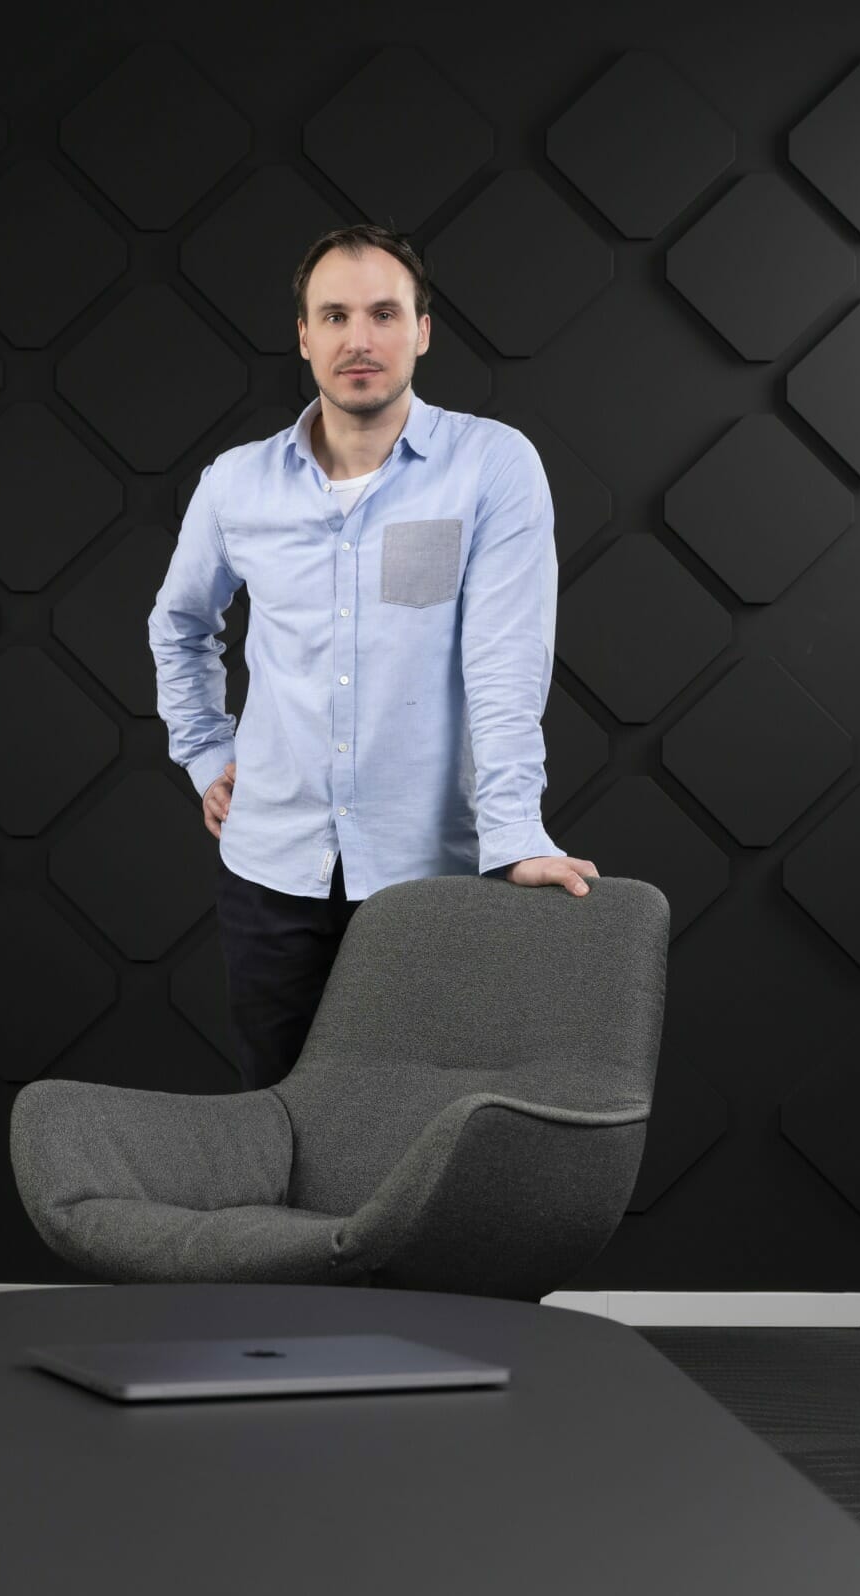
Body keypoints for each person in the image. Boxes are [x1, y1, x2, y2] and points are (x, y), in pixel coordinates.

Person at [148, 222, 599, 1093]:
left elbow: (506, 664)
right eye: (336, 315)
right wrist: (206, 753)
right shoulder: (235, 484)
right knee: (281, 1119)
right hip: (271, 871)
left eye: (385, 313)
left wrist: (515, 836)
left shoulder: (491, 466)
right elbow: (179, 625)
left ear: (422, 331)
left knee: (423, 1134)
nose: (361, 338)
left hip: (431, 876)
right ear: (305, 337)